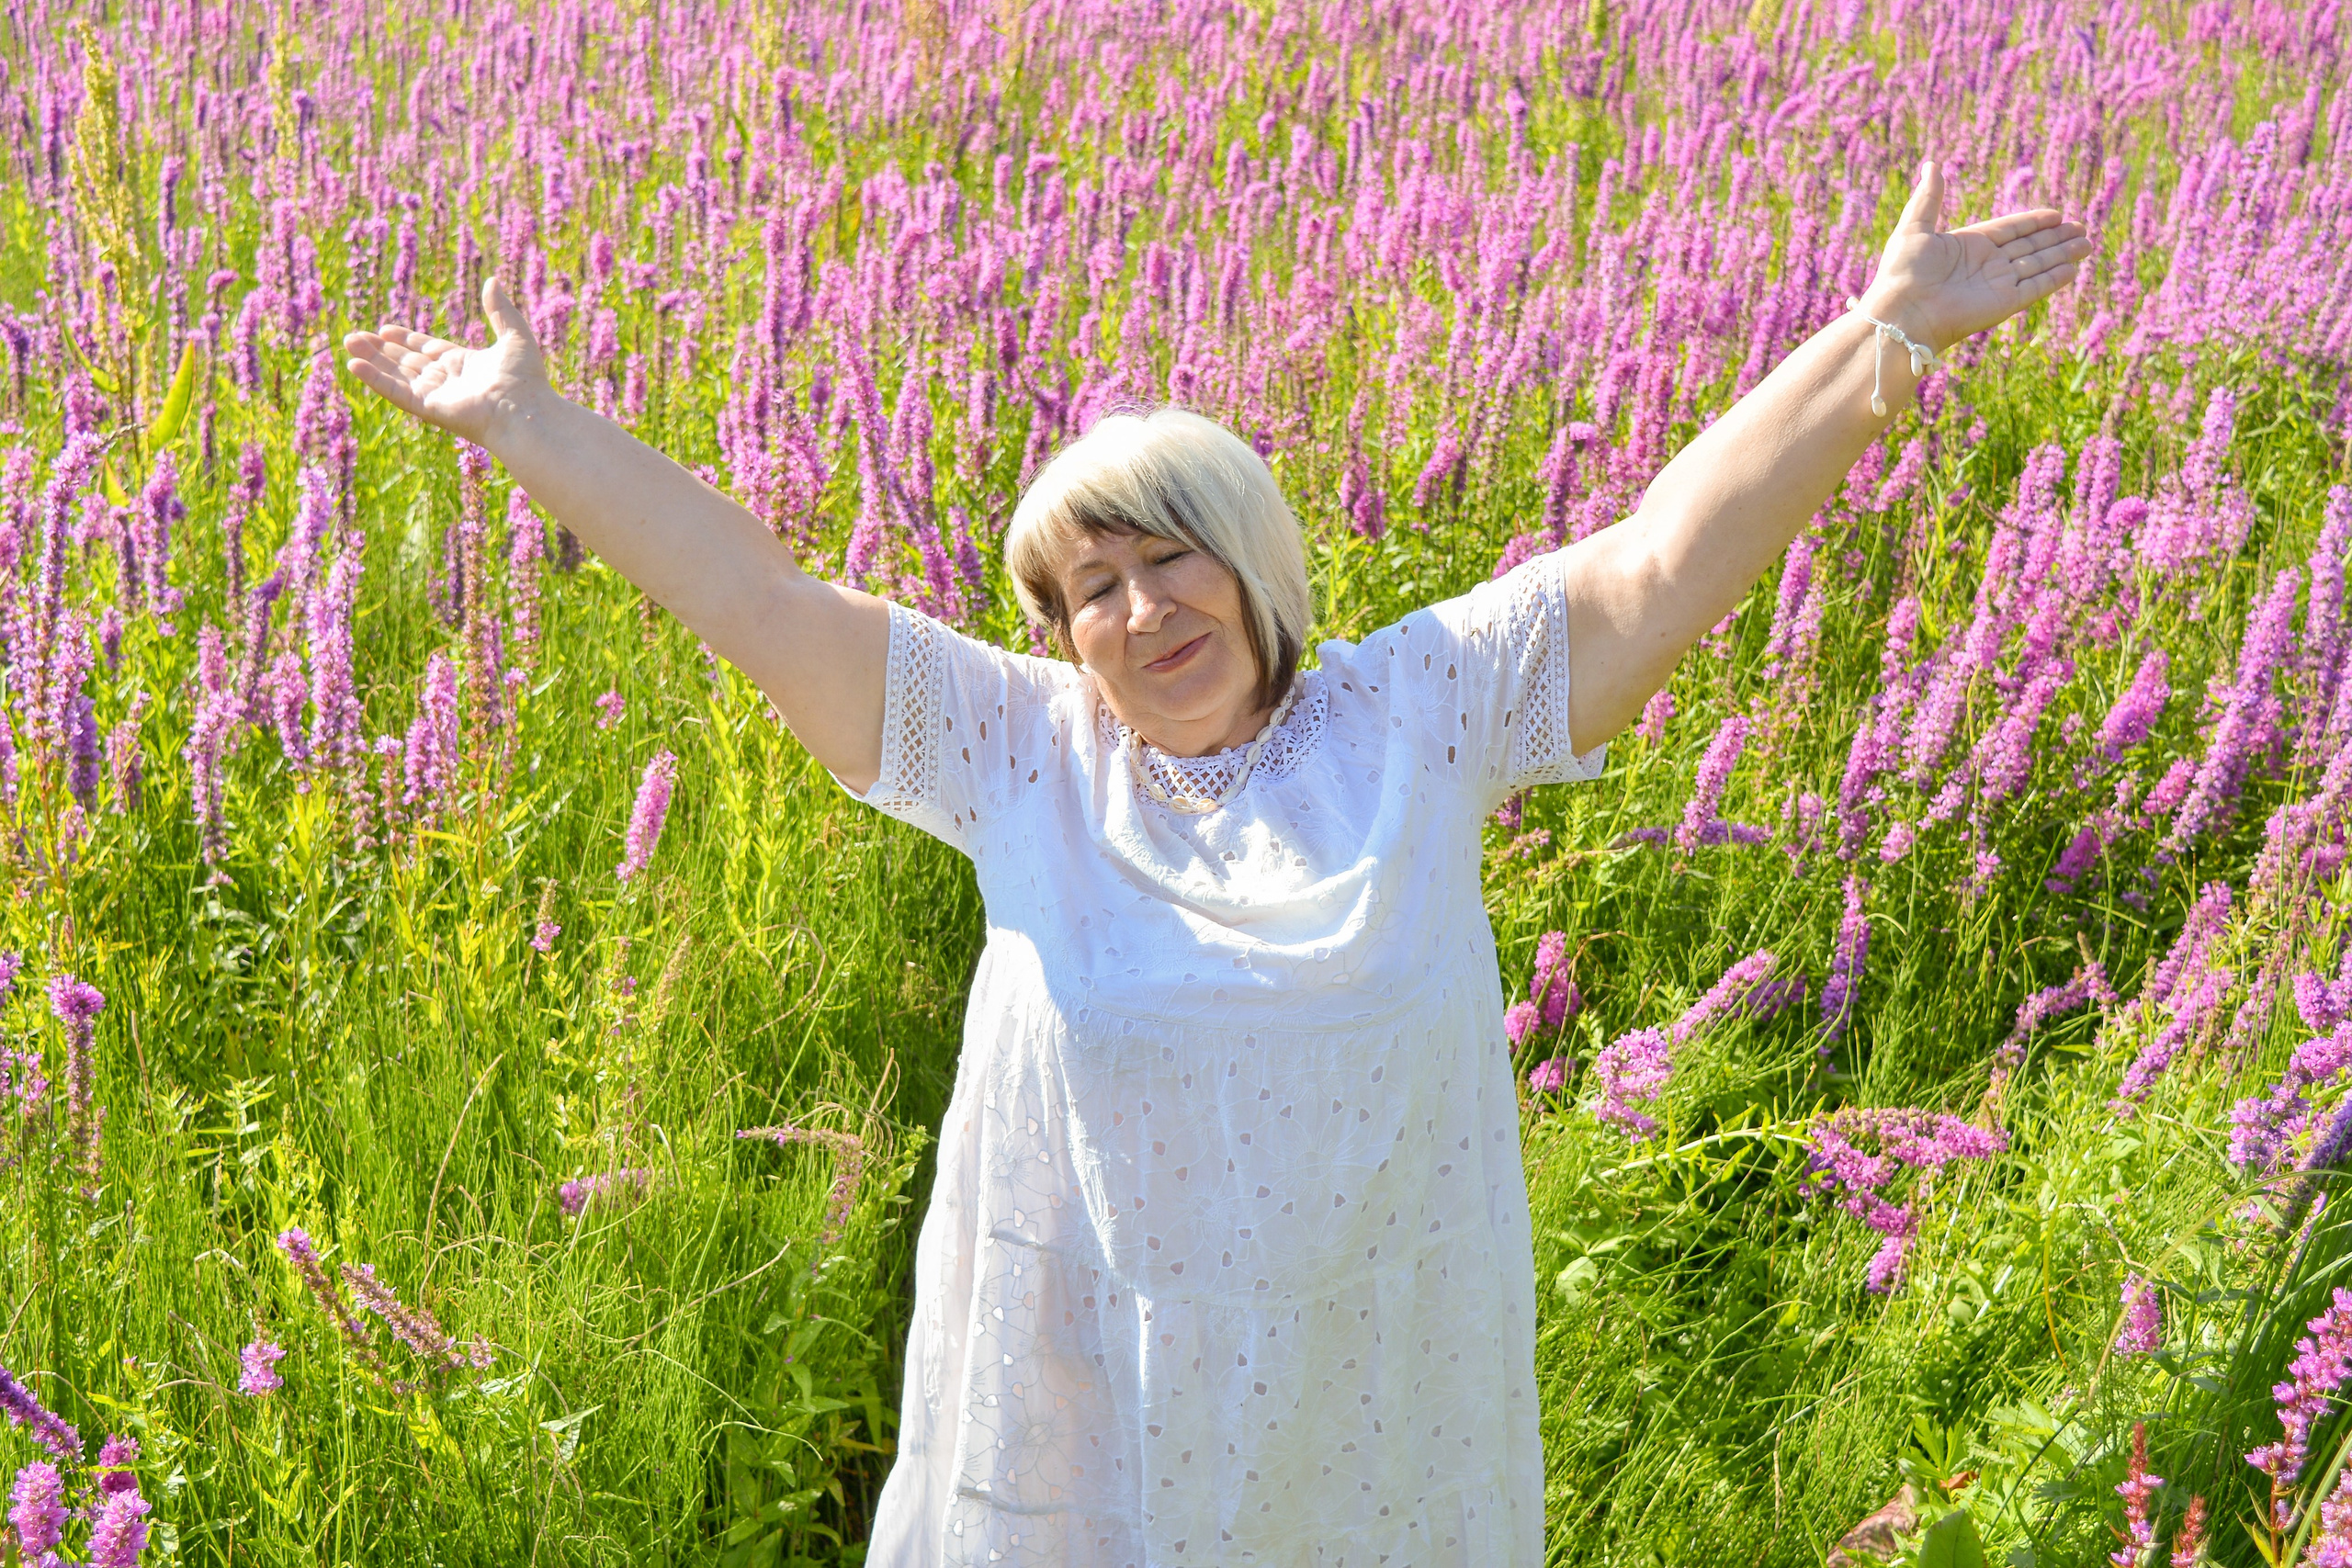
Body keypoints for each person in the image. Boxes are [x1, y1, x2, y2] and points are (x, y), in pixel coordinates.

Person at [344, 159, 2086, 1566]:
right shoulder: (1017, 749)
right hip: (1091, 1406)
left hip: (1365, 1410)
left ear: (1251, 565)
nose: (1136, 610)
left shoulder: (1419, 711)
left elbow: (1648, 568)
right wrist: (531, 428)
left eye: (1169, 558)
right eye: (1087, 587)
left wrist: (1880, 338)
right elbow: (762, 599)